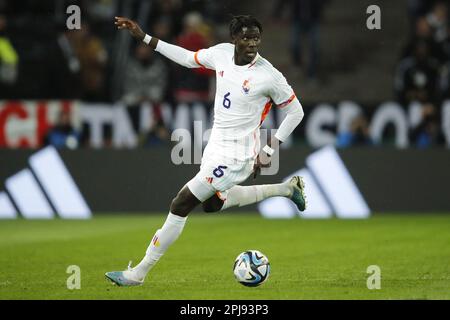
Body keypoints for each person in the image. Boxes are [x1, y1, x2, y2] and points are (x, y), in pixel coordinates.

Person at [105, 15, 307, 286]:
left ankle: (138, 273)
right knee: (212, 204)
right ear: (234, 38)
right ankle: (286, 189)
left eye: (256, 38)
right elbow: (187, 58)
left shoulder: (269, 76)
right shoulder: (221, 54)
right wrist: (144, 37)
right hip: (216, 147)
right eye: (246, 37)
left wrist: (270, 150)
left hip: (239, 155)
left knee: (181, 203)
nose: (252, 43)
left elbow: (296, 111)